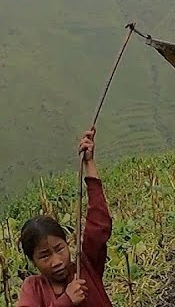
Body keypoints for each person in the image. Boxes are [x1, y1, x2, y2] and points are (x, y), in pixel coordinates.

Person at [18, 127, 113, 307]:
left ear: (68, 243)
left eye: (59, 249)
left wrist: (89, 163)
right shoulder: (33, 289)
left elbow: (99, 225)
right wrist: (66, 301)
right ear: (33, 261)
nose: (57, 261)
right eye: (45, 256)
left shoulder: (85, 266)